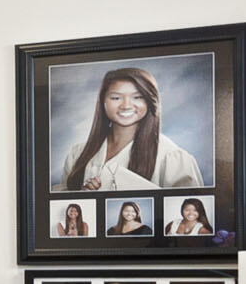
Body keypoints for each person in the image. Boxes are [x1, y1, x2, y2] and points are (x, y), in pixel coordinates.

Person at [59, 66, 206, 191]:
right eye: (116, 98)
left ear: (149, 101)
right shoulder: (78, 153)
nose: (126, 105)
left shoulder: (171, 157)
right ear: (102, 101)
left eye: (137, 97)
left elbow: (190, 208)